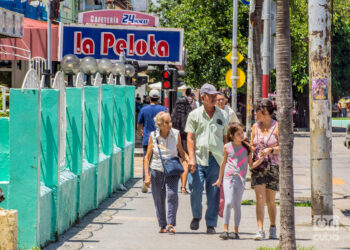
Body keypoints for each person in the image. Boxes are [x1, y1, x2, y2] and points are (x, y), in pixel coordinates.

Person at [185, 83, 228, 234]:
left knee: (214, 192)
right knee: (195, 189)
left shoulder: (222, 115)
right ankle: (196, 216)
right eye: (211, 96)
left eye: (215, 95)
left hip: (216, 159)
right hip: (198, 157)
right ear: (203, 97)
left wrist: (227, 159)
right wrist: (191, 158)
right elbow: (190, 138)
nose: (214, 98)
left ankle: (211, 223)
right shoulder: (194, 115)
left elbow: (225, 138)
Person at [143, 111, 188, 234]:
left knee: (172, 194)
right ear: (160, 124)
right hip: (157, 169)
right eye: (167, 122)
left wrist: (188, 160)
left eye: (170, 121)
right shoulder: (153, 135)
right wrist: (147, 176)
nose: (170, 124)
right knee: (159, 197)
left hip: (172, 168)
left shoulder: (176, 134)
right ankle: (162, 224)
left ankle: (170, 223)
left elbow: (181, 151)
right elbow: (147, 157)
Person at [213, 123, 255, 240]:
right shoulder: (227, 147)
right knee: (228, 202)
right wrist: (219, 179)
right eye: (238, 134)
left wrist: (260, 159)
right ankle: (225, 230)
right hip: (228, 178)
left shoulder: (247, 148)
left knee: (237, 205)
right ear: (231, 135)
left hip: (240, 179)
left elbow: (251, 165)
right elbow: (223, 163)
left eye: (242, 133)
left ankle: (235, 231)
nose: (241, 135)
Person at [250, 98, 279, 240]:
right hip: (258, 167)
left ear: (265, 112)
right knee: (259, 198)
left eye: (257, 111)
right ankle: (260, 229)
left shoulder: (277, 127)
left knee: (270, 200)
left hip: (273, 166)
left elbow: (284, 147)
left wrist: (271, 150)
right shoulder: (255, 127)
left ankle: (273, 226)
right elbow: (251, 146)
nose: (255, 114)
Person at [137, 90, 167, 193]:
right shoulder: (163, 109)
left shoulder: (144, 109)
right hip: (161, 139)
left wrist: (140, 131)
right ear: (158, 98)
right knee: (162, 160)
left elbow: (139, 123)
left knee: (147, 159)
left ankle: (146, 181)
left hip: (147, 138)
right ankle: (161, 182)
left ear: (149, 98)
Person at [171, 96, 192, 194]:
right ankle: (183, 187)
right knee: (185, 163)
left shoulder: (173, 115)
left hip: (175, 140)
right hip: (186, 140)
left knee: (175, 162)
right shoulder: (190, 115)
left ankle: (173, 185)